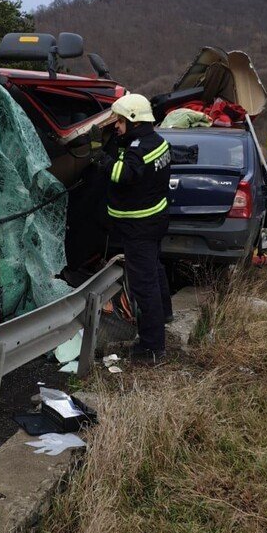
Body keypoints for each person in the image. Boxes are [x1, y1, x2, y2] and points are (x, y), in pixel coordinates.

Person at [105, 93, 173, 363]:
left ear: (133, 121)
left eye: (119, 121)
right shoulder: (156, 141)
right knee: (155, 271)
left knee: (144, 285)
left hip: (139, 227)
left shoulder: (138, 149)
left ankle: (152, 347)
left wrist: (103, 161)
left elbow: (123, 175)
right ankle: (165, 314)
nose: (116, 126)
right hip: (154, 222)